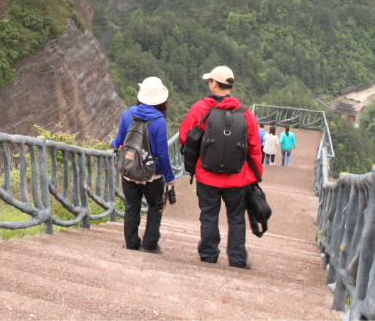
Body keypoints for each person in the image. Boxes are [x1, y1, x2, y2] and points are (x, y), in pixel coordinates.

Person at [179, 66, 262, 268]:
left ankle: (208, 256)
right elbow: (254, 147)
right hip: (238, 178)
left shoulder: (200, 109)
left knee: (209, 215)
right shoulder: (246, 113)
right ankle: (237, 258)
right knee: (236, 218)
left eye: (210, 81)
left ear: (214, 84)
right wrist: (255, 176)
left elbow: (184, 136)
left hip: (207, 176)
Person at [111, 76, 175, 254]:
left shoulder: (127, 114)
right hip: (152, 175)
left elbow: (118, 142)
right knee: (155, 208)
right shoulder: (160, 121)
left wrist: (114, 145)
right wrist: (169, 178)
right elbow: (162, 153)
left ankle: (131, 243)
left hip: (129, 171)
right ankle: (149, 245)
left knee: (132, 206)